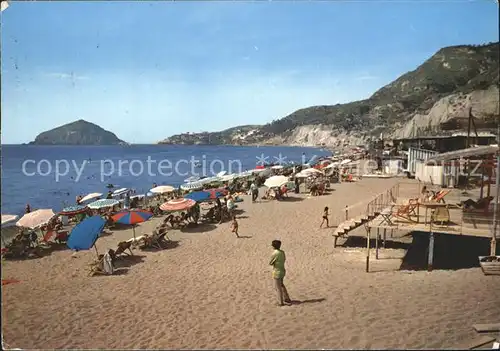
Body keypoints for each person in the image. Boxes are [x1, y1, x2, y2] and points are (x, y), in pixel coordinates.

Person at [269, 240, 291, 306]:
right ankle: (287, 298)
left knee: (278, 287)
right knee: (281, 285)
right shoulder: (282, 252)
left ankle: (280, 302)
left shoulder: (275, 253)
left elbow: (270, 262)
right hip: (282, 270)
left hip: (277, 271)